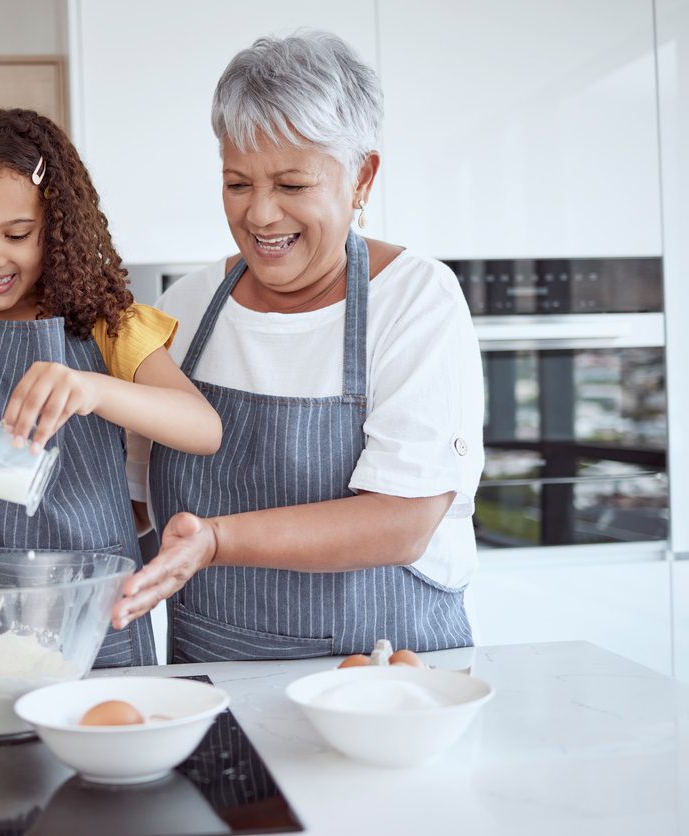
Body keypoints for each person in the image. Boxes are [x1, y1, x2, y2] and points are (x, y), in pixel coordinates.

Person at [114, 32, 486, 662]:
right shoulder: (185, 308)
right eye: (237, 184)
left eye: (291, 185)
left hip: (379, 682)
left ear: (361, 175)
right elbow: (132, 507)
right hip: (210, 681)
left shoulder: (416, 300)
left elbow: (403, 520)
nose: (260, 215)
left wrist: (215, 540)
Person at [0, 108, 222, 668]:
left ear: (57, 228)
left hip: (99, 619)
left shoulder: (109, 328)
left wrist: (94, 389)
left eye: (17, 234)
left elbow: (203, 428)